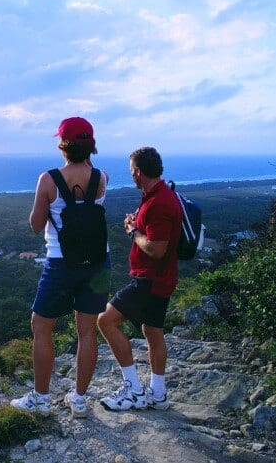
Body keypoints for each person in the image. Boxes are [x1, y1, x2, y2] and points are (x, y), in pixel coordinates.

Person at [10, 117, 111, 418]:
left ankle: (41, 400)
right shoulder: (103, 177)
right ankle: (79, 400)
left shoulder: (49, 179)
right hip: (98, 262)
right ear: (90, 144)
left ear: (63, 145)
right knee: (87, 331)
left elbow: (35, 224)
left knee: (41, 328)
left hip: (60, 262)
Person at [97, 147, 181, 411]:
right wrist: (137, 224)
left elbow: (157, 249)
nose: (131, 174)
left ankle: (133, 389)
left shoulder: (158, 202)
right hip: (162, 278)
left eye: (131, 170)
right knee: (153, 331)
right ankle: (158, 393)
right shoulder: (157, 195)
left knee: (106, 321)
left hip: (149, 280)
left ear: (138, 171)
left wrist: (134, 232)